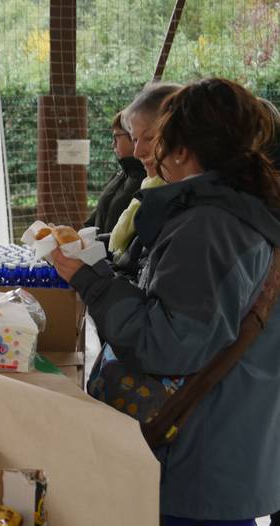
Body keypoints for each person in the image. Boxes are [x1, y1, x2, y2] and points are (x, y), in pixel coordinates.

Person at [53, 78, 280, 525]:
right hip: (223, 447)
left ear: (182, 150)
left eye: (156, 139)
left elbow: (167, 343)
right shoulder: (238, 209)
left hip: (196, 459)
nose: (147, 152)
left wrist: (91, 281)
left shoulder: (211, 226)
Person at [107, 82, 180, 276]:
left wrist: (86, 276)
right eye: (135, 139)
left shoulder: (174, 202)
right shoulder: (150, 187)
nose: (137, 151)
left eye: (149, 138)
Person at [83, 111, 145, 238]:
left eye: (116, 137)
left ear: (133, 136)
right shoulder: (119, 176)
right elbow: (95, 220)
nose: (113, 144)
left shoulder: (149, 181)